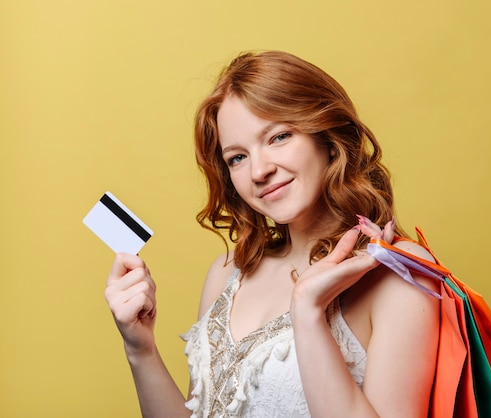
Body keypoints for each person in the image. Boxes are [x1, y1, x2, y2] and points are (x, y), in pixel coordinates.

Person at [105, 50, 440, 418]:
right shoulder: (228, 272)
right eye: (237, 157)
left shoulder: (398, 274)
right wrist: (141, 349)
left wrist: (309, 313)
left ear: (326, 137)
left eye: (278, 137)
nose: (259, 170)